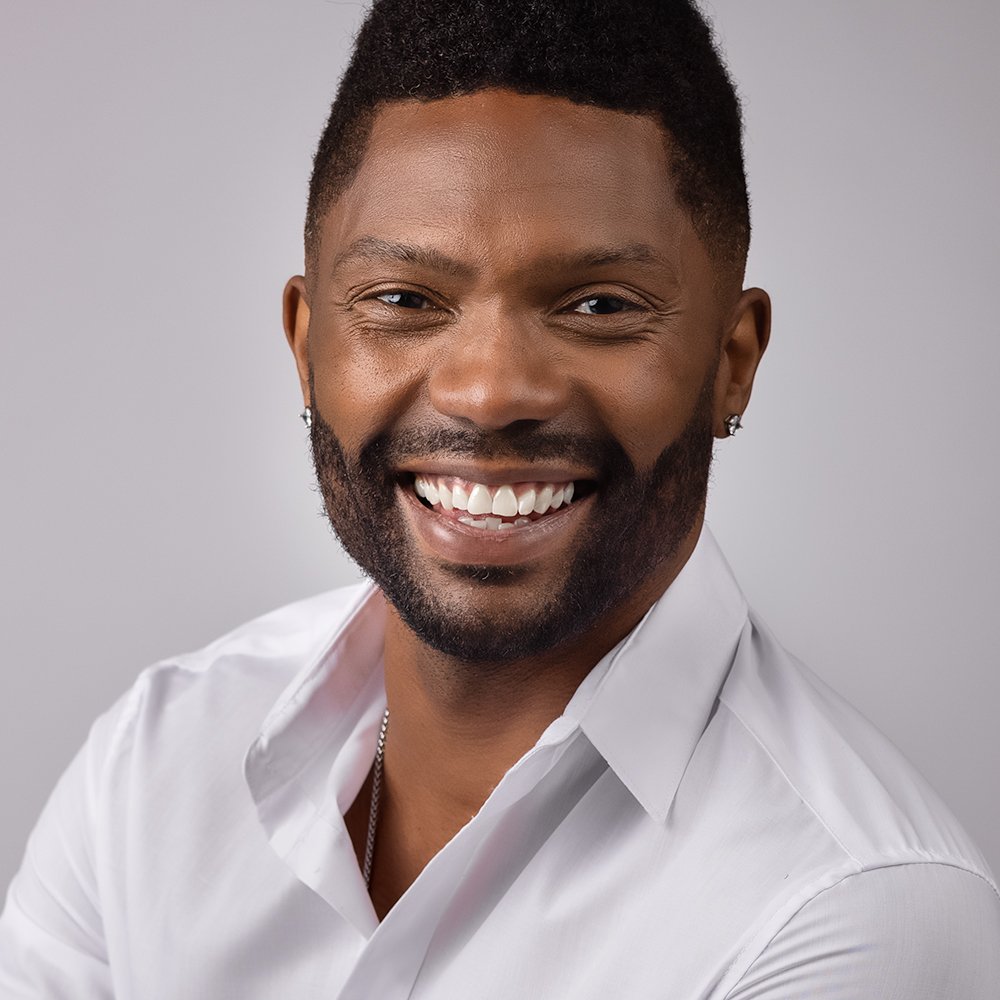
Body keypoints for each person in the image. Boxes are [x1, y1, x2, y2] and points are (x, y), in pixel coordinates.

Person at [2, 0, 998, 995]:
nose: (485, 392)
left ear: (731, 363)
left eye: (599, 306)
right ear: (308, 345)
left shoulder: (850, 914)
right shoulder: (152, 767)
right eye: (404, 301)